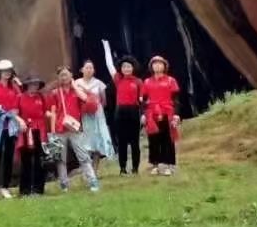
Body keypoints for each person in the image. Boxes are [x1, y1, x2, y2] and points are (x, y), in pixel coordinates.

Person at [48, 67, 100, 192]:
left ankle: (92, 180)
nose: (64, 77)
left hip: (75, 128)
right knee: (60, 158)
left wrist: (74, 86)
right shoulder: (55, 93)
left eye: (66, 75)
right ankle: (64, 184)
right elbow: (53, 112)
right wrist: (53, 131)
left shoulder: (77, 91)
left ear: (71, 75)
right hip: (60, 129)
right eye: (61, 75)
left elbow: (86, 100)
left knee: (83, 155)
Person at [103, 44, 144, 176]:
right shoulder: (118, 79)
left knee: (135, 142)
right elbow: (109, 64)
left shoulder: (138, 82)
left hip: (134, 111)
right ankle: (122, 168)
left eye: (129, 66)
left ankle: (135, 168)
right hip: (120, 112)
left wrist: (143, 115)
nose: (126, 69)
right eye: (124, 66)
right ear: (121, 68)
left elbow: (142, 100)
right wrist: (106, 47)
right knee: (122, 142)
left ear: (133, 68)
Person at [0, 59, 23, 199]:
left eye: (9, 71)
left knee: (8, 155)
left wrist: (19, 86)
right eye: (4, 71)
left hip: (11, 125)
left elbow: (19, 104)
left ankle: (6, 187)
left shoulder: (14, 88)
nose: (7, 73)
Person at [141, 54, 182, 176]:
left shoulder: (171, 80)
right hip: (152, 113)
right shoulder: (147, 82)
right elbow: (143, 100)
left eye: (160, 63)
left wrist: (176, 114)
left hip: (167, 111)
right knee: (153, 140)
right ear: (151, 67)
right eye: (155, 64)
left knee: (168, 139)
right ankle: (155, 165)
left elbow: (176, 99)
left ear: (164, 66)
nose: (157, 66)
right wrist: (143, 114)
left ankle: (169, 165)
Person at [75, 59, 114, 169]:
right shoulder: (77, 83)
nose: (89, 70)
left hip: (97, 115)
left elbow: (104, 100)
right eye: (86, 67)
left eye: (91, 68)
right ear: (82, 69)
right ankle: (87, 170)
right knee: (84, 142)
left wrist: (94, 105)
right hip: (83, 115)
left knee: (97, 141)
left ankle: (95, 169)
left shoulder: (99, 83)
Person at [15, 76, 50, 196]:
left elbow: (47, 112)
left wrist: (57, 116)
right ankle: (24, 190)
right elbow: (14, 113)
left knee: (39, 160)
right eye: (31, 84)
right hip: (26, 131)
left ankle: (38, 189)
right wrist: (20, 121)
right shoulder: (20, 97)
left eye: (36, 84)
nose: (34, 87)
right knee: (26, 161)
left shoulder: (41, 97)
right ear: (27, 85)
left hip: (40, 131)